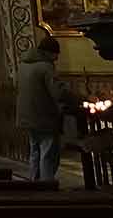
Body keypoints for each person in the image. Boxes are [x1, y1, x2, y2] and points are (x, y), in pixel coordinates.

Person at [17, 35, 74, 182]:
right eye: (56, 54)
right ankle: (46, 185)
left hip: (27, 116)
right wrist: (80, 98)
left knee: (35, 151)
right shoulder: (45, 67)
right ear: (50, 52)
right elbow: (58, 92)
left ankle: (34, 181)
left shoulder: (23, 65)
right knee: (48, 153)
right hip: (43, 116)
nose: (56, 58)